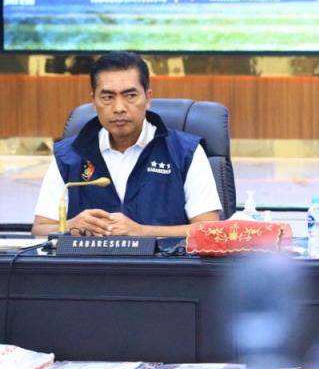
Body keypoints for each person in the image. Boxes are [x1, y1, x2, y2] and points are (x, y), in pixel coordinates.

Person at [32, 52, 222, 238]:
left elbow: (209, 230)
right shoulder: (69, 155)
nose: (119, 108)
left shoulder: (185, 151)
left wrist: (141, 232)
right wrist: (70, 225)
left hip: (164, 259)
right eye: (107, 97)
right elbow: (40, 229)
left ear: (148, 98)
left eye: (130, 95)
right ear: (93, 102)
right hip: (89, 259)